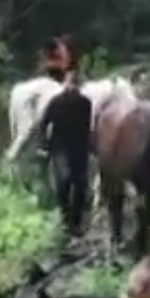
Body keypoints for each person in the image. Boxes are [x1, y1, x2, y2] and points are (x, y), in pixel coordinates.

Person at [37, 69, 93, 237]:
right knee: (78, 184)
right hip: (77, 147)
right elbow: (87, 126)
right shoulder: (85, 102)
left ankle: (67, 220)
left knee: (66, 183)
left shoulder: (56, 101)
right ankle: (74, 222)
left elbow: (44, 124)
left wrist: (44, 145)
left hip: (62, 147)